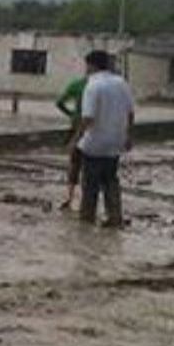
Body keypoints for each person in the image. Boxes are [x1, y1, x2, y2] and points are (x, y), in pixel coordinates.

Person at [70, 50, 134, 227]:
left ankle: (86, 221)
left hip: (94, 143)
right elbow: (130, 113)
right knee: (110, 180)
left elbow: (88, 118)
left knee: (90, 184)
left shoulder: (93, 85)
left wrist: (75, 140)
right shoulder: (122, 83)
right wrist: (128, 135)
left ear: (91, 65)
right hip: (116, 141)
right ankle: (115, 217)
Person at [54, 68, 88, 210]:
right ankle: (87, 199)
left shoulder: (77, 84)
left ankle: (70, 197)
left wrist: (72, 114)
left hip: (77, 127)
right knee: (91, 165)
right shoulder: (106, 86)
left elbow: (59, 102)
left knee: (75, 163)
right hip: (97, 130)